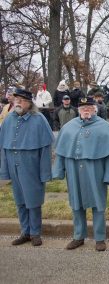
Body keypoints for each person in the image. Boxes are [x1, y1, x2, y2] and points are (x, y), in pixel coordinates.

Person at [52, 97, 109, 251]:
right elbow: (61, 152)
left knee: (98, 204)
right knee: (76, 203)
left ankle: (100, 238)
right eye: (83, 107)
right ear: (78, 110)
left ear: (95, 108)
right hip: (73, 169)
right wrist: (58, 172)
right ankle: (78, 236)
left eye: (89, 107)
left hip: (96, 171)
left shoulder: (105, 128)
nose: (86, 110)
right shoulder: (68, 127)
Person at [0, 88, 53, 246]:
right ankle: (25, 232)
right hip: (13, 163)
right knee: (20, 200)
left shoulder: (39, 119)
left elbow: (45, 149)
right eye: (16, 100)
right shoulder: (9, 119)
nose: (18, 103)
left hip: (31, 166)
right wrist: (4, 170)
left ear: (29, 103)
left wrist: (45, 172)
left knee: (33, 200)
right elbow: (3, 146)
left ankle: (35, 233)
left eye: (21, 100)